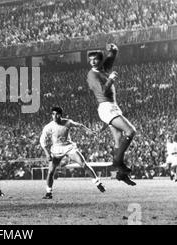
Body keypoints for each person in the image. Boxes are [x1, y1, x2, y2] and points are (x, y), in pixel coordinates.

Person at [87, 43, 137, 186]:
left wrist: (113, 47)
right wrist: (111, 79)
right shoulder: (92, 74)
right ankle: (117, 163)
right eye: (91, 60)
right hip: (106, 107)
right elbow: (102, 91)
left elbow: (112, 54)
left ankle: (121, 175)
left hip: (113, 106)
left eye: (95, 59)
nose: (93, 62)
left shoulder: (103, 68)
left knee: (118, 140)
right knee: (131, 131)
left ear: (100, 59)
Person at [39, 107, 106, 199]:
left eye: (56, 114)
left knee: (83, 164)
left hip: (69, 147)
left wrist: (90, 131)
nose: (54, 116)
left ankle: (98, 183)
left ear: (60, 115)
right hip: (56, 150)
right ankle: (48, 193)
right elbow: (42, 141)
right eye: (53, 114)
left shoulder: (67, 122)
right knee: (50, 172)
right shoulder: (48, 127)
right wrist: (47, 153)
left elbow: (80, 125)